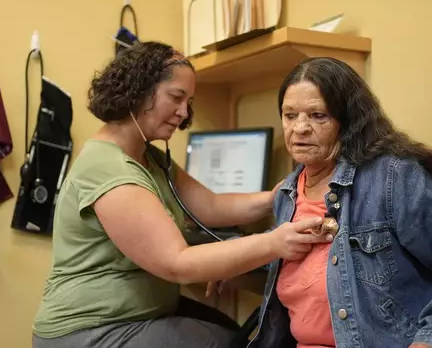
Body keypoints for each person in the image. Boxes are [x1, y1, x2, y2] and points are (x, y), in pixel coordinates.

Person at [31, 42, 332, 348]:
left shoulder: (148, 157)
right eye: (176, 98)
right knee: (229, 342)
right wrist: (274, 242)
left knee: (233, 331)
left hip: (137, 314)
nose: (184, 112)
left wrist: (278, 195)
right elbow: (178, 263)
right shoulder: (107, 169)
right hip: (92, 330)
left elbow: (211, 206)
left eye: (188, 102)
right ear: (139, 91)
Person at [246, 57, 432, 348]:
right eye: (290, 115)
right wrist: (241, 262)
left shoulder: (389, 177)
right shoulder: (288, 192)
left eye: (318, 115)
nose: (300, 128)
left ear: (348, 122)